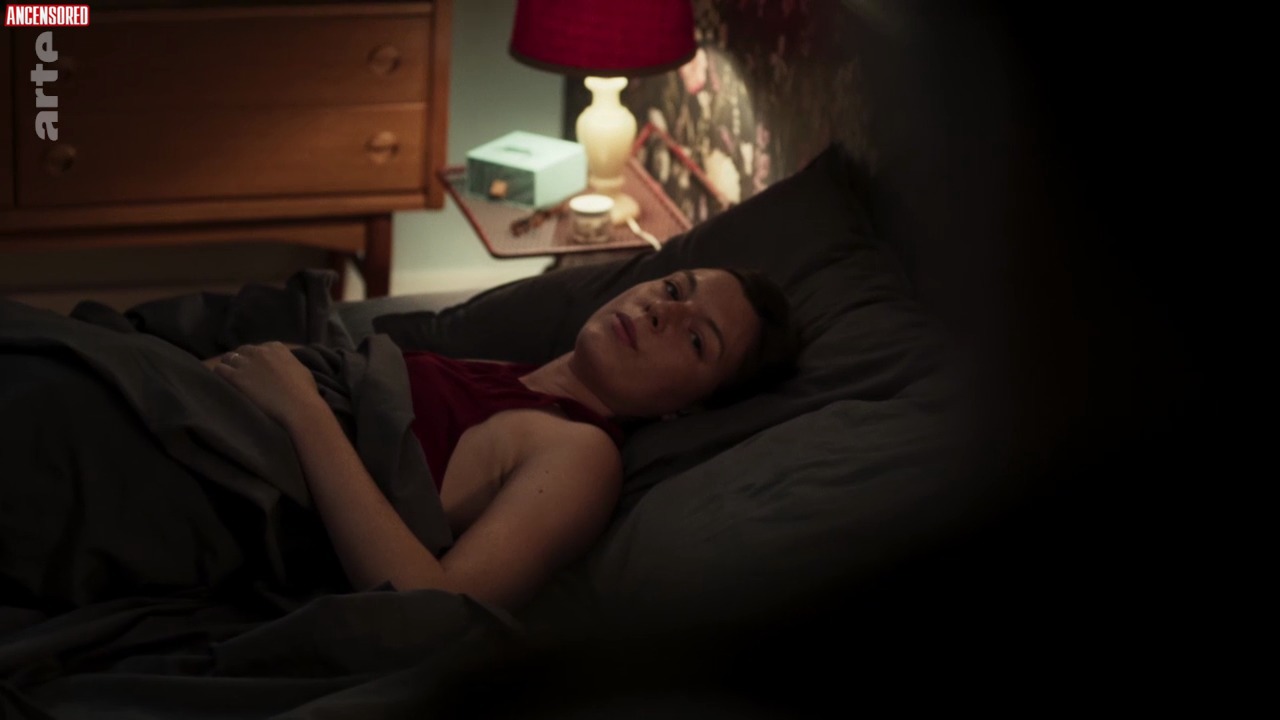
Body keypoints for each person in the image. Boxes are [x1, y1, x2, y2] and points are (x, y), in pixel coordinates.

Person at [208, 268, 799, 612]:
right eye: (673, 289)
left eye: (697, 340)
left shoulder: (581, 454)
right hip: (216, 413)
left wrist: (303, 410)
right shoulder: (507, 373)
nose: (660, 312)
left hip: (229, 484)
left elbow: (434, 608)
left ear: (688, 410)